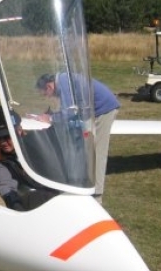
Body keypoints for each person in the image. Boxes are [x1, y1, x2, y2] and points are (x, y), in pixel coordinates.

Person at [35, 73, 120, 203]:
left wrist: (51, 118)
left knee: (98, 153)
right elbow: (72, 109)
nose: (49, 96)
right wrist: (55, 115)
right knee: (85, 149)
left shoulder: (63, 83)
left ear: (49, 86)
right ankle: (82, 183)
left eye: (46, 94)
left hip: (104, 109)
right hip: (94, 110)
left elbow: (69, 112)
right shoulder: (63, 80)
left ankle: (97, 196)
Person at [0, 106, 56, 211]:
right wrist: (15, 204)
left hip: (54, 191)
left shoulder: (37, 143)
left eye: (7, 136)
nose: (2, 142)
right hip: (31, 196)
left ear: (19, 131)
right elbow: (5, 184)